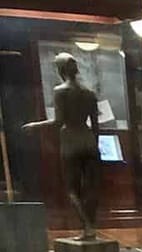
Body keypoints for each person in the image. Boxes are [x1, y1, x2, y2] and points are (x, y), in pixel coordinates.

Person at [23, 53, 101, 240]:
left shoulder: (61, 91)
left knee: (72, 189)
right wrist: (94, 144)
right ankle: (91, 227)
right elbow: (96, 125)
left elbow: (58, 122)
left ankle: (87, 227)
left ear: (60, 70)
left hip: (71, 141)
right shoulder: (89, 93)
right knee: (91, 188)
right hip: (88, 140)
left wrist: (35, 126)